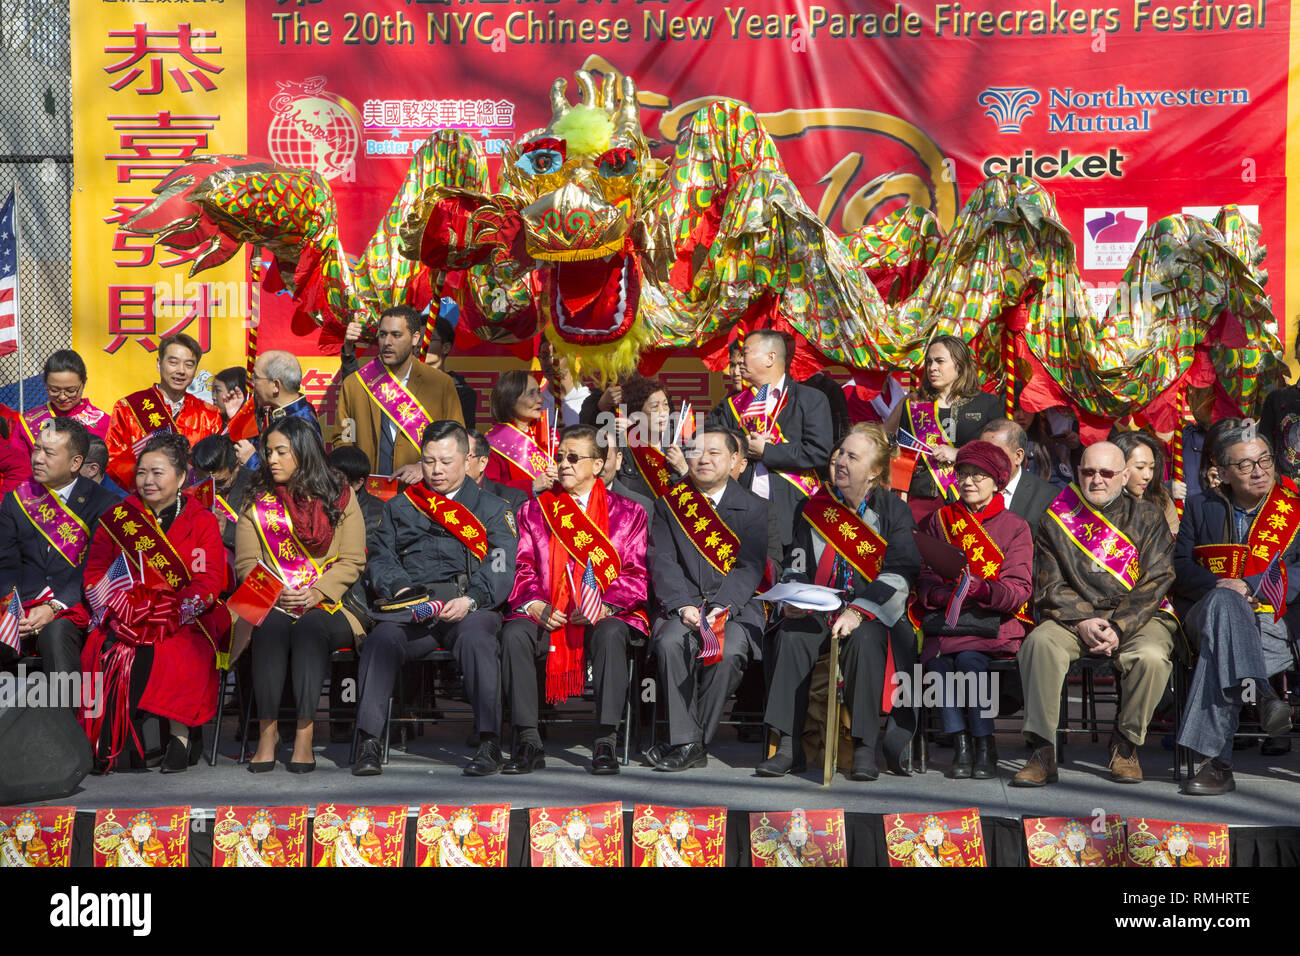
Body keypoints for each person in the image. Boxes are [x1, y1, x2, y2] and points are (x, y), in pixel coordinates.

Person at [352, 420, 517, 777]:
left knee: (478, 642)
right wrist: (399, 589)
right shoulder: (400, 506)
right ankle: (368, 740)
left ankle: (489, 742)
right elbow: (380, 556)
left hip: (469, 607)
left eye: (445, 461)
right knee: (381, 640)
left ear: (467, 459)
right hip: (415, 607)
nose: (436, 470)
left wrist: (473, 599)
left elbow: (501, 565)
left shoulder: (491, 508)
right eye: (428, 461)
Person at [757, 423, 921, 781]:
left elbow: (901, 572)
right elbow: (797, 562)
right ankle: (788, 745)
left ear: (875, 471)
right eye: (840, 454)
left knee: (864, 640)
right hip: (822, 605)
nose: (841, 462)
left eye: (852, 457)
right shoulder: (814, 505)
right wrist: (793, 596)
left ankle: (864, 746)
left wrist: (859, 611)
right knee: (792, 633)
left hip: (872, 610)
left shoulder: (893, 510)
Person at [1012, 441, 1176, 787]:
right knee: (1039, 645)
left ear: (1124, 476)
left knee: (1150, 657)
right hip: (1075, 618)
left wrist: (1118, 626)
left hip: (1137, 617)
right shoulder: (1056, 517)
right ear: (1077, 473)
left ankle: (1127, 744)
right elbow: (1048, 584)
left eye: (1106, 473)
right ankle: (1042, 748)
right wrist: (1083, 620)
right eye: (1088, 472)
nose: (1097, 480)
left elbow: (1158, 579)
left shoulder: (1148, 516)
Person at [499, 425, 648, 775]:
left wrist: (604, 606)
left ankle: (605, 740)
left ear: (597, 465)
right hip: (548, 608)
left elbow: (636, 573)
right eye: (560, 457)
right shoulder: (535, 510)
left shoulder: (628, 512)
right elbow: (522, 567)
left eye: (573, 458)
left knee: (612, 634)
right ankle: (528, 739)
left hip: (604, 612)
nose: (563, 464)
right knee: (514, 633)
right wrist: (534, 604)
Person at [80, 432, 229, 773]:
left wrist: (173, 611)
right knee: (104, 647)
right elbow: (96, 571)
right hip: (127, 613)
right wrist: (122, 608)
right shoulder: (119, 516)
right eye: (142, 472)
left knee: (177, 647)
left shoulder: (201, 519)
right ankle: (117, 742)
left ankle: (179, 735)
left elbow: (209, 580)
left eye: (157, 472)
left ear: (180, 477)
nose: (147, 480)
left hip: (185, 615)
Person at [236, 417, 366, 773]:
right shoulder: (257, 496)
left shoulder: (339, 493)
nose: (272, 459)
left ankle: (306, 733)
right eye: (269, 452)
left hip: (329, 601)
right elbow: (247, 563)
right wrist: (278, 594)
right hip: (272, 598)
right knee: (271, 629)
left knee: (310, 631)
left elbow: (354, 559)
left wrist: (317, 591)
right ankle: (268, 731)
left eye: (282, 451)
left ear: (304, 454)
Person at [1173, 425, 1298, 795]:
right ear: (1223, 472)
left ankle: (1217, 765)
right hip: (1204, 612)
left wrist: (1250, 584)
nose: (1259, 471)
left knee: (1221, 648)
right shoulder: (1199, 506)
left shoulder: (1293, 510)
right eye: (1245, 465)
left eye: (1264, 461)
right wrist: (1221, 587)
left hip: (1272, 621)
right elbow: (1179, 567)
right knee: (1225, 606)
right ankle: (1260, 694)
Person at [647, 428, 769, 771]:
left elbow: (750, 567)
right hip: (682, 605)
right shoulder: (669, 503)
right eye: (696, 451)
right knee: (671, 642)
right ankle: (691, 744)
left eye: (714, 453)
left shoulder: (755, 508)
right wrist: (684, 606)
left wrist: (721, 608)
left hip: (735, 607)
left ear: (735, 461)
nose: (703, 459)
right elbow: (662, 561)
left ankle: (689, 741)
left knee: (728, 652)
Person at [916, 441, 1033, 779]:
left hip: (992, 622)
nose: (968, 482)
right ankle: (961, 743)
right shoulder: (940, 520)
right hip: (949, 620)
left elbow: (1019, 589)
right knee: (938, 663)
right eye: (963, 474)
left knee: (967, 661)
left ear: (998, 482)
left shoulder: (1015, 527)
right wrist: (939, 594)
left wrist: (982, 588)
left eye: (978, 476)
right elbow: (924, 576)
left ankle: (983, 742)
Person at [0, 418, 119, 680]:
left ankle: (65, 719)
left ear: (76, 463)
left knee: (56, 635)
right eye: (37, 449)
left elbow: (95, 568)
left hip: (74, 604)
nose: (38, 459)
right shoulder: (15, 498)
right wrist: (14, 607)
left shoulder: (104, 503)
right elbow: (6, 562)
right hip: (22, 604)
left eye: (49, 453)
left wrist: (53, 607)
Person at [705, 329, 832, 549]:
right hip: (740, 514)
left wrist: (768, 452)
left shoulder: (810, 399)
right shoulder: (731, 406)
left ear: (770, 357)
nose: (739, 361)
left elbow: (819, 452)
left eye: (745, 353)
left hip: (793, 513)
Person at [336, 305, 465, 484]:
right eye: (382, 334)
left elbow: (456, 438)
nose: (387, 342)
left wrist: (424, 465)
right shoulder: (355, 384)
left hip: (422, 492)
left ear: (415, 338)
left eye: (396, 335)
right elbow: (344, 437)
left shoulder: (440, 383)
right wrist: (352, 473)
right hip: (369, 493)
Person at [887, 334, 1004, 524]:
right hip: (921, 499)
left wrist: (960, 453)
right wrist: (900, 494)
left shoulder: (986, 403)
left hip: (969, 498)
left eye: (940, 361)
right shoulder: (914, 404)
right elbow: (902, 452)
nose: (932, 367)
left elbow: (1000, 453)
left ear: (959, 364)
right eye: (929, 362)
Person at [104, 333, 222, 488]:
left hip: (191, 502)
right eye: (173, 362)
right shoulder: (128, 407)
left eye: (189, 365)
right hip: (140, 497)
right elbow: (114, 465)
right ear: (159, 364)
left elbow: (216, 467)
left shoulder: (209, 415)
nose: (181, 371)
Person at [597, 374, 688, 503]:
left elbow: (697, 494)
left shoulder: (679, 443)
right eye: (655, 407)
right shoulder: (622, 446)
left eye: (665, 405)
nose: (663, 413)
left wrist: (684, 469)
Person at [13, 351, 110, 462]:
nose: (62, 397)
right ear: (45, 383)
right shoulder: (29, 421)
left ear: (84, 383)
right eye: (54, 390)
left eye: (71, 390)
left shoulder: (105, 423)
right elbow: (18, 469)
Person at [237, 350, 320, 469]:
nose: (252, 384)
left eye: (256, 378)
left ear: (275, 385)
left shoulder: (302, 421)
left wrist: (251, 460)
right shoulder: (274, 411)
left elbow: (300, 474)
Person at [978, 418, 1058, 533]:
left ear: (1018, 456)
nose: (986, 460)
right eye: (981, 452)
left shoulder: (1047, 498)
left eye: (994, 453)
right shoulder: (967, 488)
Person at [484, 370, 556, 497]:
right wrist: (531, 486)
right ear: (510, 400)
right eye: (531, 394)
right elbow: (489, 489)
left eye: (539, 393)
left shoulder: (549, 434)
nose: (539, 400)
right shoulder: (494, 442)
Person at [191, 434, 251, 561]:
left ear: (236, 466)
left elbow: (267, 538)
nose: (212, 489)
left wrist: (228, 529)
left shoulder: (257, 487)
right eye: (205, 481)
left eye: (220, 483)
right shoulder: (188, 484)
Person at [1114, 430, 1179, 535]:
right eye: (1140, 467)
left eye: (1152, 468)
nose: (1148, 476)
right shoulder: (1104, 498)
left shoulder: (1161, 497)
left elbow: (1172, 541)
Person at [425, 306, 477, 428]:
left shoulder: (461, 392)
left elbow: (463, 437)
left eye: (428, 339)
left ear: (446, 347)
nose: (420, 345)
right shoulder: (401, 387)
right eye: (416, 339)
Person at [327, 446, 385, 541]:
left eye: (337, 478)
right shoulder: (319, 503)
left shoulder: (379, 514)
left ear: (358, 483)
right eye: (328, 476)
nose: (330, 482)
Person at [468, 430, 526, 512]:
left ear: (482, 462)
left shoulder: (512, 499)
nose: (456, 464)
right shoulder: (444, 496)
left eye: (465, 458)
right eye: (449, 460)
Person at [538, 337, 590, 428]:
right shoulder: (536, 403)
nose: (551, 362)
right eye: (545, 356)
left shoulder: (588, 398)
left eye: (558, 355)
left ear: (572, 358)